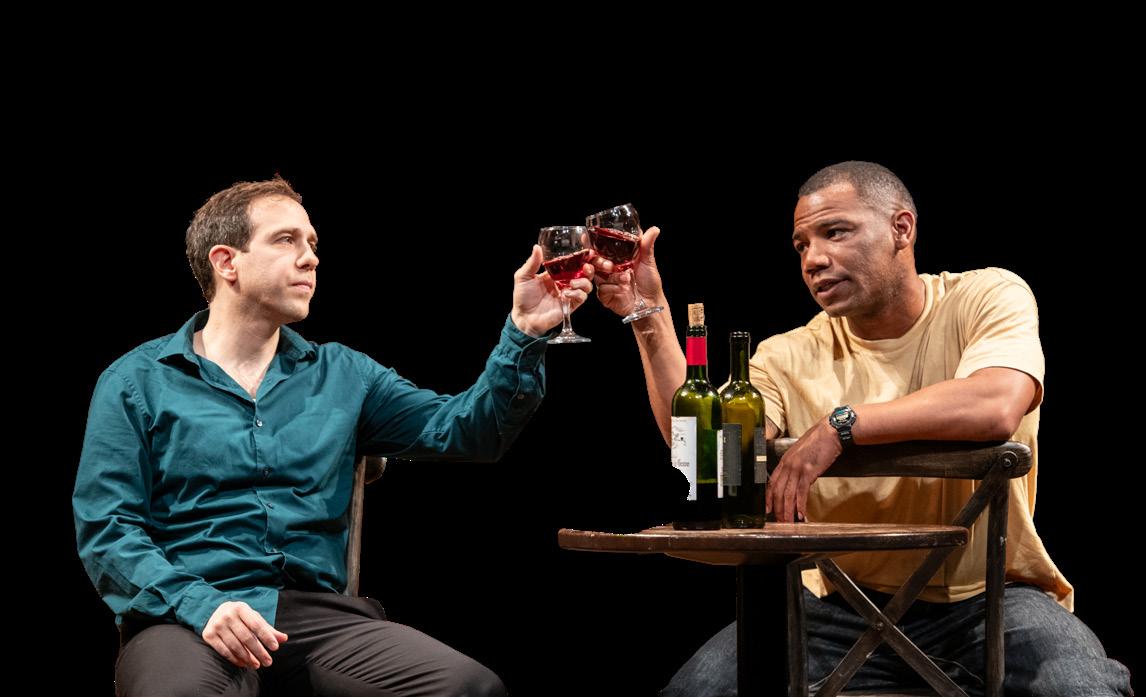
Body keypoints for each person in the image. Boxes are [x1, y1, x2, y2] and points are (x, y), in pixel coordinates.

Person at [595, 161, 1132, 696]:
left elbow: (996, 403)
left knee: (1081, 687)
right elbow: (706, 454)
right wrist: (647, 313)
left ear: (902, 228)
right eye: (801, 245)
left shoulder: (984, 297)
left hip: (991, 599)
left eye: (835, 232)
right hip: (837, 605)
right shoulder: (785, 356)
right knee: (695, 691)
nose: (813, 259)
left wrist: (841, 425)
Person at [73, 176, 594, 697]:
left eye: (312, 243)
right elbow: (108, 529)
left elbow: (468, 432)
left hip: (314, 619)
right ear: (226, 261)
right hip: (186, 617)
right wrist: (199, 604)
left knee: (469, 688)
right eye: (286, 240)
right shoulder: (136, 381)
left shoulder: (345, 374)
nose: (310, 258)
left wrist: (525, 332)